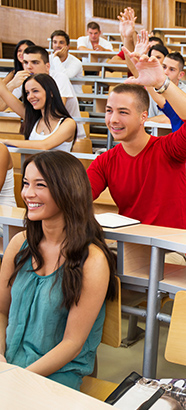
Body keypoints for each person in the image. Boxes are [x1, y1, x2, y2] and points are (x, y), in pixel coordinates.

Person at [0, 150, 118, 390]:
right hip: (9, 363)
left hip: (55, 374)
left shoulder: (92, 260)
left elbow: (72, 343)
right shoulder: (19, 244)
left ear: (67, 190)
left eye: (39, 185)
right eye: (25, 184)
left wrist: (17, 378)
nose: (27, 194)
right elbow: (1, 312)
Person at [86, 48, 186, 230]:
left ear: (144, 117)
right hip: (127, 244)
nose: (113, 120)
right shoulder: (105, 161)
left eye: (123, 112)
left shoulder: (169, 149)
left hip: (168, 250)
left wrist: (162, 82)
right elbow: (78, 196)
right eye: (109, 110)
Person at [0, 46, 85, 141]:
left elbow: (54, 112)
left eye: (35, 62)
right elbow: (1, 106)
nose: (29, 67)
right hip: (40, 133)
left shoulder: (59, 78)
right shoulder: (25, 80)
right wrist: (11, 85)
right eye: (26, 62)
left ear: (47, 66)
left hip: (71, 138)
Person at [0, 74, 76, 152]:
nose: (30, 97)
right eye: (27, 93)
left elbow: (44, 145)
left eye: (35, 91)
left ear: (51, 93)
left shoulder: (68, 123)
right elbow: (4, 91)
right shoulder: (34, 119)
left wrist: (5, 141)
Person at [147, 52, 186, 123]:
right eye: (164, 67)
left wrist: (146, 121)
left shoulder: (185, 93)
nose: (165, 72)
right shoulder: (153, 87)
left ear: (180, 75)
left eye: (172, 69)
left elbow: (171, 119)